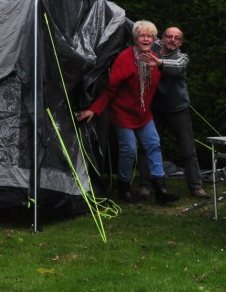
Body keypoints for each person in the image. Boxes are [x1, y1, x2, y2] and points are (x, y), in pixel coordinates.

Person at [76, 20, 179, 204]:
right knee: (129, 150)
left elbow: (172, 70)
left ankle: (160, 188)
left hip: (143, 114)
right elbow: (110, 90)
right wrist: (94, 109)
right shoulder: (124, 59)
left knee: (153, 145)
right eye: (142, 36)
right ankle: (123, 188)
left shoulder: (154, 57)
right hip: (122, 114)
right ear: (135, 38)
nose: (146, 39)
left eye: (150, 36)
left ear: (154, 39)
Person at [137, 26, 208, 199]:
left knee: (188, 150)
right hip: (155, 110)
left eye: (177, 38)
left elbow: (177, 67)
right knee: (148, 147)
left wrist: (159, 63)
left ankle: (196, 187)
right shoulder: (153, 46)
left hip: (178, 110)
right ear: (163, 37)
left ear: (180, 42)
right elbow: (137, 29)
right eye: (169, 36)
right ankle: (146, 186)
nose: (172, 40)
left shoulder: (182, 58)